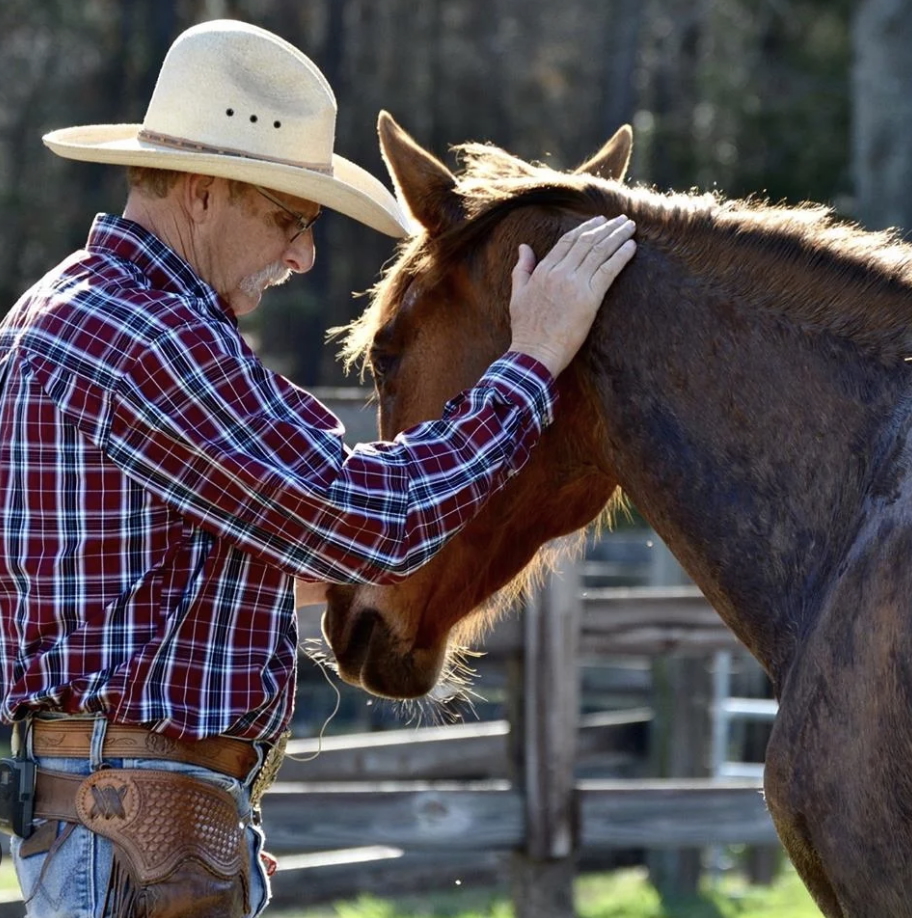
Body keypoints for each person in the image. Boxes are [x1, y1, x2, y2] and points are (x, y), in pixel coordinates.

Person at [0, 18, 637, 918]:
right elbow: (364, 518)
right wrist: (530, 363)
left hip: (120, 831)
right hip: (141, 841)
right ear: (202, 191)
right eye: (287, 219)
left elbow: (142, 572)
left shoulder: (59, 312)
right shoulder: (153, 342)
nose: (302, 253)